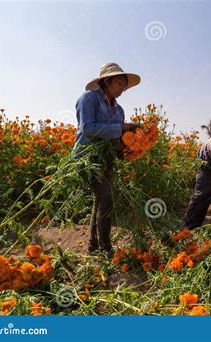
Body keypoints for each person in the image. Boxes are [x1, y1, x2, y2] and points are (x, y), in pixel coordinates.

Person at [73, 62, 141, 255]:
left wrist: (130, 146)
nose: (122, 89)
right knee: (105, 196)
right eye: (119, 83)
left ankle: (93, 247)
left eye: (124, 86)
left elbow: (116, 140)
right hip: (86, 158)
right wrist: (121, 128)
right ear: (106, 81)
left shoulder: (119, 110)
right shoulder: (89, 99)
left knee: (101, 199)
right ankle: (105, 248)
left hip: (106, 159)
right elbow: (88, 127)